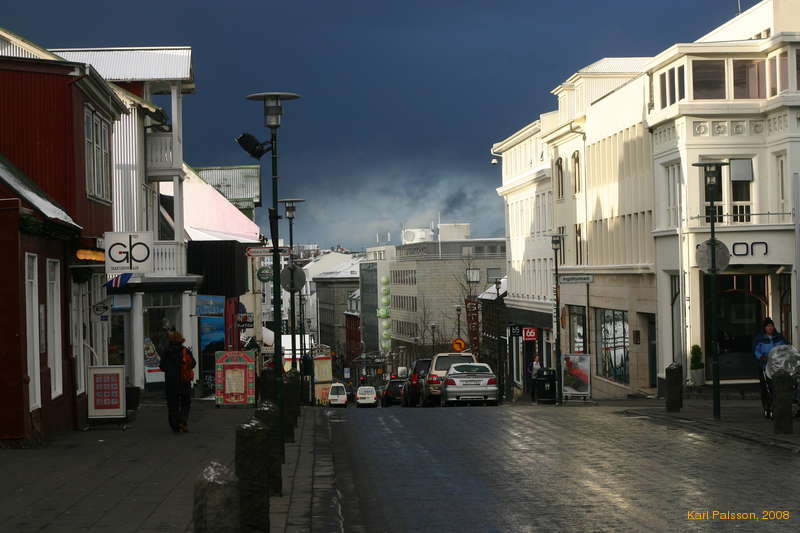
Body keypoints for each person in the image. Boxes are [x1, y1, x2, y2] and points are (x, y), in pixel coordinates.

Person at [159, 330, 196, 433]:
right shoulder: (185, 350)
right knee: (186, 402)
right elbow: (193, 363)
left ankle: (175, 425)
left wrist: (169, 370)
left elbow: (162, 366)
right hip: (184, 381)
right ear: (181, 340)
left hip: (171, 382)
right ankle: (183, 420)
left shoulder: (166, 352)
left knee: (172, 404)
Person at [752, 317, 787, 419]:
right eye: (768, 326)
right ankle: (767, 406)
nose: (770, 328)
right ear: (764, 328)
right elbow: (755, 350)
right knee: (766, 387)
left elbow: (785, 347)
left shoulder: (779, 337)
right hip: (765, 365)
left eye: (771, 326)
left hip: (777, 365)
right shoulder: (760, 338)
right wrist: (761, 357)